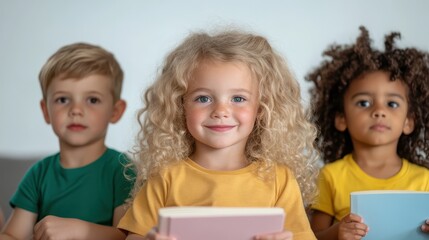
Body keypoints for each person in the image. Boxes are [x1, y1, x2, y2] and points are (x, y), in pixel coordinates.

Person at [117, 29, 320, 240]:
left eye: (238, 99)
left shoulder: (280, 179)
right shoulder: (165, 177)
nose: (221, 111)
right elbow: (134, 236)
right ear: (180, 106)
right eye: (203, 98)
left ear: (261, 108)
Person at [306, 26, 429, 240]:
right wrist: (337, 233)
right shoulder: (330, 177)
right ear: (341, 118)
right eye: (364, 102)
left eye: (392, 103)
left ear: (408, 122)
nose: (379, 111)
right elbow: (310, 237)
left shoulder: (425, 180)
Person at [0, 43, 133, 240]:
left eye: (92, 100)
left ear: (115, 111)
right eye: (63, 100)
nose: (76, 110)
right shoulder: (39, 174)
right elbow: (13, 235)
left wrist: (81, 231)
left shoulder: (122, 170)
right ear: (46, 111)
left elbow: (127, 236)